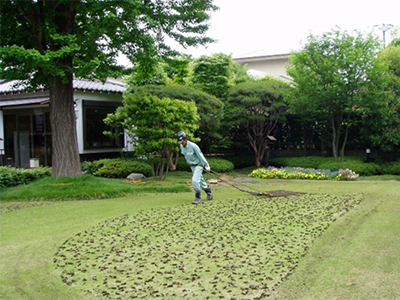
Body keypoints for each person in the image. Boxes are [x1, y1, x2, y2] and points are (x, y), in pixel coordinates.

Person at [177, 131, 213, 204]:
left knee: (195, 181)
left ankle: (197, 197)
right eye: (180, 142)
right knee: (201, 181)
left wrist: (206, 165)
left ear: (186, 139)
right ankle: (209, 194)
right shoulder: (181, 146)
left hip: (198, 165)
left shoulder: (193, 146)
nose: (181, 143)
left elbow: (200, 156)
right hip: (192, 166)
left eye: (182, 141)